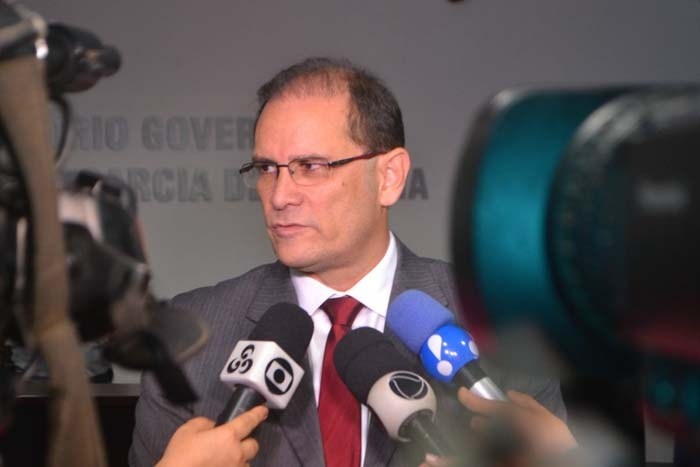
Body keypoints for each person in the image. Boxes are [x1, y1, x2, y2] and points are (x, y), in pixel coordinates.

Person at [129, 57, 568, 467]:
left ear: (389, 177)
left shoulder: (501, 324)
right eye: (266, 169)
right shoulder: (190, 339)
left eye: (311, 166)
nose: (280, 196)